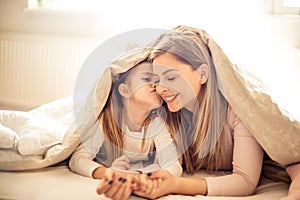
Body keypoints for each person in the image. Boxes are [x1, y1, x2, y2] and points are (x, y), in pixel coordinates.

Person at [130, 25, 300, 199]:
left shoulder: (237, 110)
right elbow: (170, 164)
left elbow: (245, 181)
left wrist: (178, 185)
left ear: (202, 74)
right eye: (156, 80)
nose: (161, 88)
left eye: (171, 77)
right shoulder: (168, 114)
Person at [69, 60, 182, 200]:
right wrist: (111, 174)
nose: (156, 85)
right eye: (147, 79)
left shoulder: (157, 124)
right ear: (125, 90)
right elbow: (78, 159)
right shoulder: (107, 120)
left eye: (158, 81)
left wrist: (148, 180)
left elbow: (173, 165)